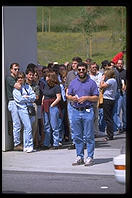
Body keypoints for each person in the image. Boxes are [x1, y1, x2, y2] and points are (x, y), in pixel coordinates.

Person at [67, 62, 99, 166]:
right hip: (75, 111)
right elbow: (68, 95)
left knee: (89, 136)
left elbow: (96, 97)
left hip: (87, 111)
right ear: (77, 71)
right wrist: (72, 98)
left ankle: (90, 157)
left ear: (86, 70)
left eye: (83, 69)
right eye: (79, 70)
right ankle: (79, 156)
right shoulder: (73, 82)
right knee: (77, 136)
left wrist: (86, 98)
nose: (81, 71)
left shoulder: (91, 83)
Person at [13, 72, 36, 152]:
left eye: (21, 77)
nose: (20, 79)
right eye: (18, 78)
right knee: (28, 127)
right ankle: (30, 145)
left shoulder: (27, 86)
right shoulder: (16, 89)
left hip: (30, 109)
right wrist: (27, 98)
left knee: (27, 128)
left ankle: (26, 146)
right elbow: (19, 100)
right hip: (22, 109)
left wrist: (27, 97)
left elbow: (34, 97)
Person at [65, 56, 82, 149]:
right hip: (71, 102)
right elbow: (66, 87)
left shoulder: (83, 74)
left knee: (81, 122)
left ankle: (82, 141)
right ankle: (75, 142)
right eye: (73, 63)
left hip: (81, 102)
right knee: (72, 122)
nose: (73, 65)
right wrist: (69, 97)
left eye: (75, 63)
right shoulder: (70, 74)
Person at [42, 71, 62, 149]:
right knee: (46, 125)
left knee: (54, 125)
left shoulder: (56, 87)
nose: (46, 78)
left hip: (53, 106)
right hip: (46, 106)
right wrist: (43, 103)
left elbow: (58, 98)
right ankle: (46, 143)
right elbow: (44, 95)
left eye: (47, 76)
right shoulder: (46, 85)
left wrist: (52, 105)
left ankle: (56, 143)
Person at [5, 62, 23, 151]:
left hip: (18, 102)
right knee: (17, 124)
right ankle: (17, 144)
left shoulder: (16, 78)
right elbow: (18, 86)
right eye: (15, 69)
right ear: (11, 70)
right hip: (13, 102)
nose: (17, 71)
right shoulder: (9, 78)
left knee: (21, 123)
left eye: (18, 69)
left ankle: (20, 142)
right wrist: (20, 81)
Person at [100, 69, 117, 141]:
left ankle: (110, 135)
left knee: (107, 117)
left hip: (108, 100)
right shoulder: (114, 80)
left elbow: (102, 86)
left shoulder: (110, 80)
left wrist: (102, 79)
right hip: (111, 99)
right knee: (109, 117)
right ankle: (110, 133)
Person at [89, 62, 104, 137]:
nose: (94, 69)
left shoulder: (100, 75)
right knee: (90, 115)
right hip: (90, 97)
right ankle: (91, 131)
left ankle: (96, 131)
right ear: (90, 68)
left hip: (98, 96)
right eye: (93, 67)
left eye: (95, 67)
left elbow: (101, 84)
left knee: (96, 115)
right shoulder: (88, 77)